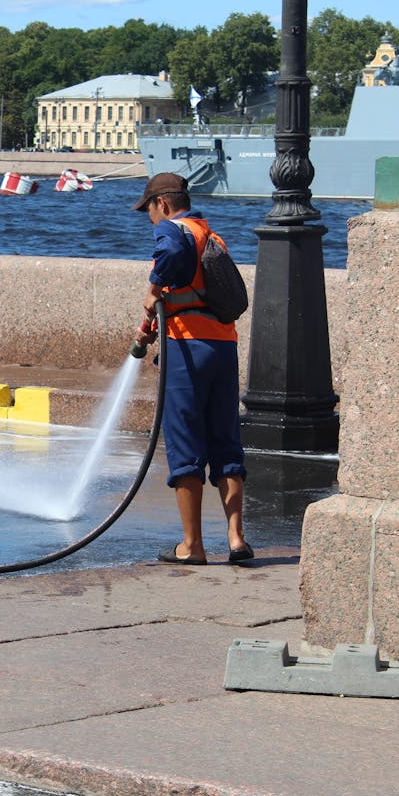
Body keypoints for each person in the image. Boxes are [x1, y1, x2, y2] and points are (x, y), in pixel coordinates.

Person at [131, 172, 253, 565]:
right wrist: (150, 323)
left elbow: (167, 259)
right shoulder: (211, 236)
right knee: (225, 443)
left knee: (185, 445)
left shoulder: (172, 228)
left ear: (162, 204)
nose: (151, 219)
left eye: (149, 211)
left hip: (187, 351)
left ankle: (192, 546)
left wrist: (152, 290)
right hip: (223, 347)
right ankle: (236, 539)